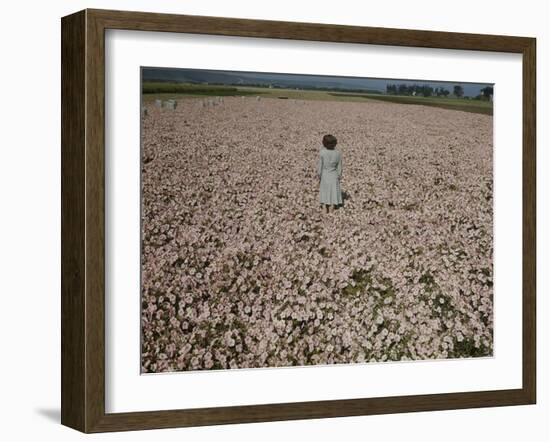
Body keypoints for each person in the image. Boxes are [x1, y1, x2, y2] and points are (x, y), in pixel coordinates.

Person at [317, 134, 343, 213]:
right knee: (333, 190)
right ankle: (332, 205)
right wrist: (339, 175)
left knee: (324, 190)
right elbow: (339, 166)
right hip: (334, 174)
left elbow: (320, 166)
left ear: (324, 143)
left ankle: (324, 206)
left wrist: (319, 175)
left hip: (325, 174)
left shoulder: (322, 153)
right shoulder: (338, 153)